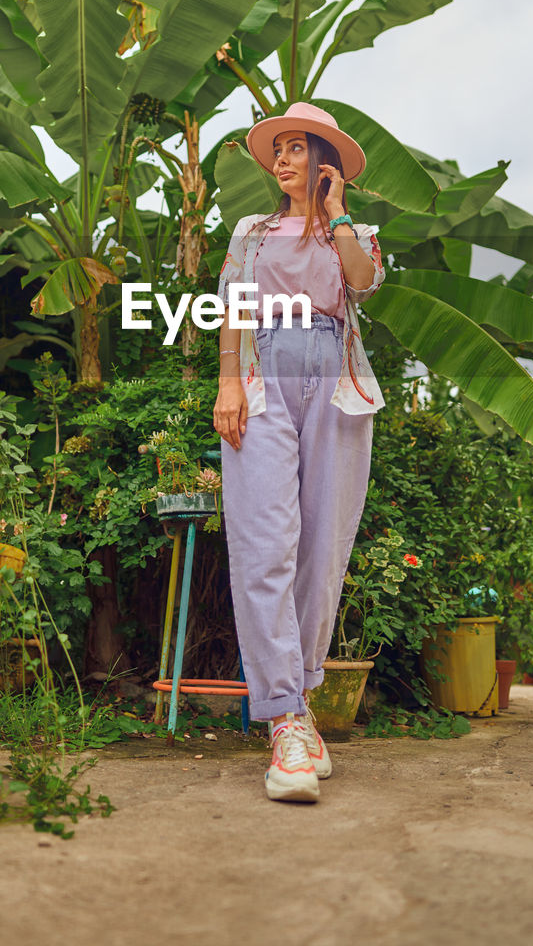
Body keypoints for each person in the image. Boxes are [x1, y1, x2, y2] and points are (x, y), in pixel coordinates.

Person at [214, 102, 385, 803]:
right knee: (264, 542)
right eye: (275, 148)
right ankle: (284, 718)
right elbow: (230, 309)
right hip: (262, 375)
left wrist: (337, 213)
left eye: (296, 148)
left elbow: (363, 282)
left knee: (322, 547)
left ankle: (301, 705)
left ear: (325, 161)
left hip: (335, 382)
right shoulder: (250, 232)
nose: (281, 159)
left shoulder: (359, 233)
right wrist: (227, 384)